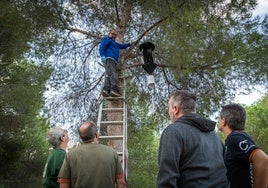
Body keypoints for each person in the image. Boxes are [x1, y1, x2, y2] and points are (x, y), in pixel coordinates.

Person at [157, 90, 230, 188]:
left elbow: (167, 180)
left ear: (175, 109)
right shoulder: (213, 135)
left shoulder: (173, 131)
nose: (168, 112)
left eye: (168, 108)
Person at [58, 121, 126, 188]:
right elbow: (121, 183)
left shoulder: (70, 155)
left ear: (81, 137)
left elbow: (64, 184)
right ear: (96, 135)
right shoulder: (112, 153)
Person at [218, 103, 268, 188]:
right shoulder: (239, 136)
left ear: (224, 121)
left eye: (219, 118)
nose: (218, 121)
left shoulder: (234, 138)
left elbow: (263, 159)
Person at [99, 29, 133, 97]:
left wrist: (129, 44)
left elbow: (122, 46)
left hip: (113, 61)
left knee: (109, 74)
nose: (113, 36)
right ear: (109, 34)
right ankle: (114, 89)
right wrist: (103, 56)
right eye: (112, 34)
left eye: (115, 35)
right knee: (113, 74)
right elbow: (102, 47)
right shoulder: (106, 39)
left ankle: (106, 89)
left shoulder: (115, 43)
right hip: (109, 59)